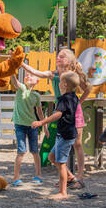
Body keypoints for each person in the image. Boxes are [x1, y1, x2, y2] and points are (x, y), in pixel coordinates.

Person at [22, 48, 91, 189]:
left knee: (77, 145)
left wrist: (78, 102)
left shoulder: (72, 75)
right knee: (59, 147)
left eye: (62, 56)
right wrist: (21, 63)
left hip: (73, 112)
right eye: (58, 55)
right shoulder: (54, 74)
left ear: (70, 61)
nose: (58, 57)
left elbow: (87, 89)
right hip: (61, 110)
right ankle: (68, 177)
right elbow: (36, 72)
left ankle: (80, 178)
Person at [31, 71, 80, 199]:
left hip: (65, 135)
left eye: (59, 82)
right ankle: (70, 177)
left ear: (63, 84)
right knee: (52, 158)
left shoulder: (64, 99)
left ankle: (63, 192)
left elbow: (58, 114)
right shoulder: (74, 96)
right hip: (66, 134)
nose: (57, 84)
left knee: (61, 163)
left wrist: (42, 122)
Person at [9, 73, 49, 187]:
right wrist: (12, 68)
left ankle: (38, 175)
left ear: (37, 81)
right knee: (21, 151)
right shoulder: (21, 88)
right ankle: (16, 178)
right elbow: (14, 81)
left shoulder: (36, 96)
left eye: (31, 76)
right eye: (26, 75)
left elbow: (40, 113)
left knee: (35, 151)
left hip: (33, 126)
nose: (28, 76)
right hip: (20, 125)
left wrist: (45, 127)